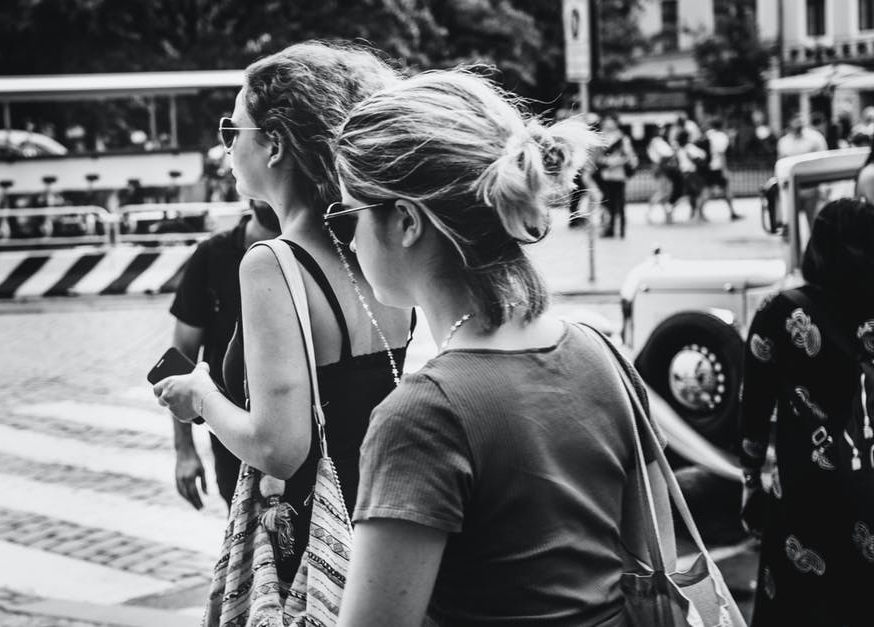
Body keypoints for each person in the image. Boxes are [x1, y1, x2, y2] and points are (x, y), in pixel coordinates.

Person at [331, 69, 675, 626]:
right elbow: (653, 559)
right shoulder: (598, 353)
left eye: (348, 213)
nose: (346, 238)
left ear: (405, 221)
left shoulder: (423, 416)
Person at [153, 42, 413, 584]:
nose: (226, 146)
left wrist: (199, 393)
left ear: (273, 145)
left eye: (233, 129)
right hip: (387, 519)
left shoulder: (273, 261)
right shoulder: (378, 247)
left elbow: (279, 448)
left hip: (314, 540)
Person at [738, 198, 874, 627]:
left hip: (805, 495)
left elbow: (754, 411)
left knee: (798, 608)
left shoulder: (779, 311)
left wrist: (750, 481)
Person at [167, 200, 280, 509]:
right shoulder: (212, 255)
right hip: (231, 438)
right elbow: (182, 356)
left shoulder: (314, 248)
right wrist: (184, 450)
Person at [594, 113, 636, 238]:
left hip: (619, 175)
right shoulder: (601, 137)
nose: (608, 123)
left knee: (620, 204)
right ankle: (609, 229)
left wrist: (616, 162)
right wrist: (606, 162)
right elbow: (596, 157)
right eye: (606, 120)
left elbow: (629, 156)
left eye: (610, 120)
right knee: (607, 204)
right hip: (605, 175)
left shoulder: (622, 138)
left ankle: (622, 230)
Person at [704, 118, 742, 221]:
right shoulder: (721, 136)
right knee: (725, 190)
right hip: (717, 167)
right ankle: (732, 212)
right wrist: (724, 170)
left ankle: (698, 212)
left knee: (709, 190)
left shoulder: (709, 134)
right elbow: (722, 154)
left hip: (708, 166)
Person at [673, 130, 708, 222]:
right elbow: (702, 155)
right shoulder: (689, 147)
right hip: (692, 173)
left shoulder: (679, 148)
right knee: (699, 194)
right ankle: (698, 213)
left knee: (691, 195)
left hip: (684, 173)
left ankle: (693, 213)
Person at [646, 127, 678, 223]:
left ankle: (667, 215)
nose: (662, 131)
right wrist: (674, 150)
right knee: (662, 192)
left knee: (665, 192)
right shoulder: (657, 141)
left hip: (661, 168)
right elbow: (667, 154)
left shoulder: (657, 141)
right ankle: (649, 214)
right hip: (661, 168)